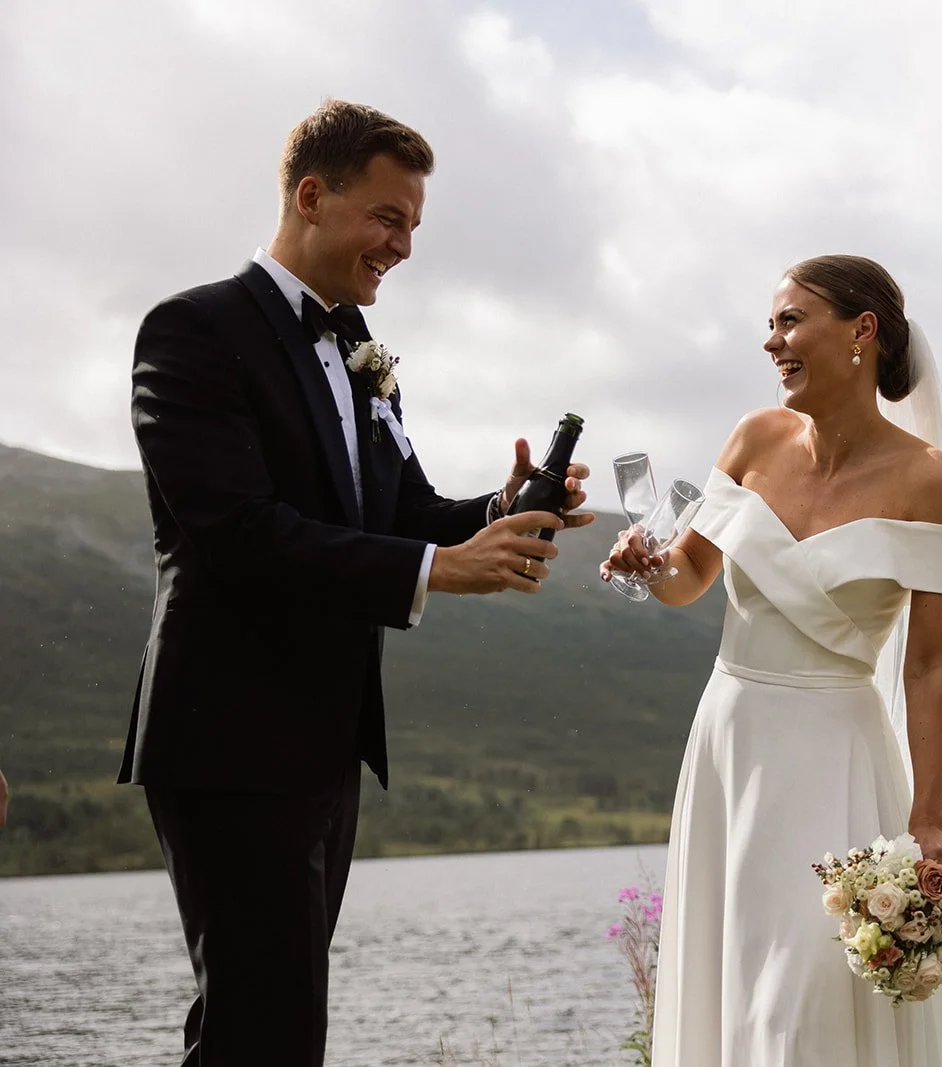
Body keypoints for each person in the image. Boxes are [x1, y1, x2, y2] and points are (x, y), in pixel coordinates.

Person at [121, 100, 591, 1067]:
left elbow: (402, 512)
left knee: (274, 1028)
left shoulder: (362, 357)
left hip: (325, 743)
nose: (403, 246)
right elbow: (238, 532)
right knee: (263, 1027)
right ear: (309, 196)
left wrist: (498, 507)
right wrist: (436, 569)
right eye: (388, 218)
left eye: (413, 226)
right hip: (228, 738)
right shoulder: (193, 330)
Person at [604, 255, 942, 1066]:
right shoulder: (753, 437)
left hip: (838, 758)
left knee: (806, 1007)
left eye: (790, 320)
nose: (772, 341)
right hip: (732, 745)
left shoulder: (933, 482)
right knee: (733, 985)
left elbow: (932, 665)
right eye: (771, 324)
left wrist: (930, 819)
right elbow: (689, 576)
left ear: (862, 332)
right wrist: (648, 565)